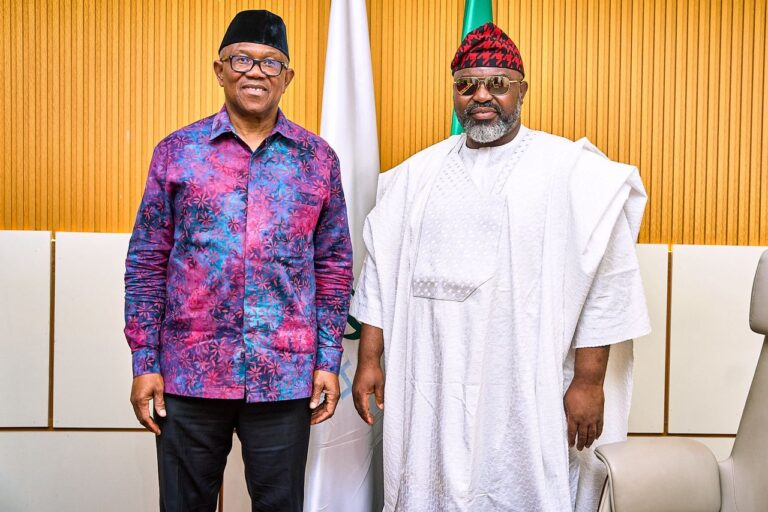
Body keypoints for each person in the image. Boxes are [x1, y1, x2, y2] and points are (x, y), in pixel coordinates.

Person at [350, 22, 650, 512]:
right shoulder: (414, 176)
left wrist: (589, 381)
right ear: (455, 93)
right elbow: (380, 274)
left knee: (520, 488)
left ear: (522, 90)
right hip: (430, 381)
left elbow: (606, 281)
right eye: (467, 85)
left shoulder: (571, 172)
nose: (481, 96)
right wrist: (368, 360)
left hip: (525, 383)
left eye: (497, 83)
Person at [124, 10, 353, 511]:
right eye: (242, 59)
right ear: (220, 70)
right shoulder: (177, 152)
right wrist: (145, 361)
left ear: (287, 77)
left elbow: (334, 266)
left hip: (284, 374)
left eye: (271, 63)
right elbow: (146, 262)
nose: (256, 72)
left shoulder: (318, 160)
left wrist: (328, 360)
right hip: (188, 372)